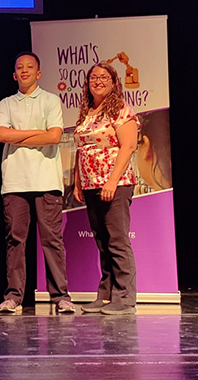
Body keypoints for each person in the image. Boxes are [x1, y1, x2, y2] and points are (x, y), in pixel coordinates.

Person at [0, 52, 74, 315]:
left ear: (39, 73)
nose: (25, 71)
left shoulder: (51, 100)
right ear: (14, 74)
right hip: (15, 182)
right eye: (20, 67)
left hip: (46, 180)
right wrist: (37, 132)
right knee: (15, 240)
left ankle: (61, 296)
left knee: (52, 240)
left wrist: (19, 137)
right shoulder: (6, 103)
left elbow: (54, 137)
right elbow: (1, 134)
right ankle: (14, 296)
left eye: (30, 67)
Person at [73, 61, 139, 315]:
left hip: (116, 183)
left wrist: (111, 180)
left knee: (118, 240)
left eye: (103, 77)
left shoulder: (120, 109)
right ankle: (106, 294)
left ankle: (125, 298)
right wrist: (79, 182)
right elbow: (82, 150)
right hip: (91, 184)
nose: (97, 81)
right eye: (93, 77)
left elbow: (129, 146)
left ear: (114, 83)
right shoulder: (87, 111)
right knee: (102, 241)